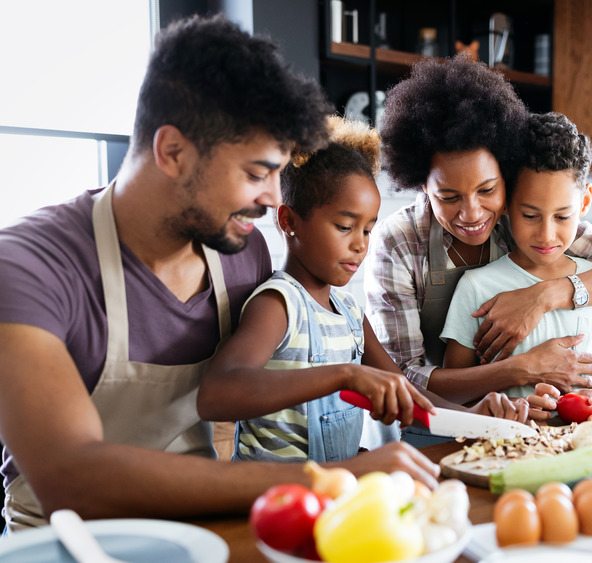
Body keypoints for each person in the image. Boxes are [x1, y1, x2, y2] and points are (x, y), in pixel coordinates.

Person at [0, 14, 434, 532]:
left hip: (200, 531)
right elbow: (73, 479)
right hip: (64, 544)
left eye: (277, 173)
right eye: (256, 173)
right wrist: (330, 478)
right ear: (172, 152)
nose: (273, 198)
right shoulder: (26, 266)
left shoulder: (240, 255)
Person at [196, 117, 529, 463]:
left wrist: (473, 416)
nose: (360, 245)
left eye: (368, 230)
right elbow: (216, 395)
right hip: (272, 498)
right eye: (344, 226)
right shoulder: (278, 305)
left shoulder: (350, 313)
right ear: (289, 221)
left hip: (333, 495)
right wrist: (345, 375)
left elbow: (407, 392)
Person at [366, 56, 592, 408]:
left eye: (487, 190)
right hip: (418, 428)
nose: (472, 213)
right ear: (421, 186)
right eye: (448, 196)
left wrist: (543, 297)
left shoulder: (526, 221)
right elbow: (402, 378)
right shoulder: (397, 242)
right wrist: (522, 369)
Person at [441, 112, 592, 420]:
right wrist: (504, 406)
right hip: (506, 448)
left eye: (562, 216)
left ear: (585, 202)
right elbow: (454, 391)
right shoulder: (476, 287)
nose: (547, 235)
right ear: (506, 202)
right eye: (531, 215)